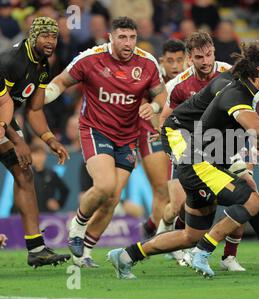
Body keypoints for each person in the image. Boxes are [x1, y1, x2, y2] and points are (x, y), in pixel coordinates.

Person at [107, 41, 259, 279]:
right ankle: (204, 252)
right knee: (250, 200)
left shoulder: (249, 89)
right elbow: (254, 126)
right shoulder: (235, 92)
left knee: (192, 234)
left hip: (211, 153)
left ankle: (126, 256)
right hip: (192, 151)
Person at [45, 16, 167, 268]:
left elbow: (162, 96)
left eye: (132, 37)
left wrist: (153, 106)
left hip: (127, 136)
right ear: (110, 37)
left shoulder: (147, 62)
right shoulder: (90, 58)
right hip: (95, 130)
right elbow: (60, 82)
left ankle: (84, 252)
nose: (128, 43)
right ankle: (77, 225)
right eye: (122, 37)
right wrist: (39, 99)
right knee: (105, 185)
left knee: (112, 198)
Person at [157, 32, 247, 272]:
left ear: (214, 51)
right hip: (189, 149)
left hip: (226, 145)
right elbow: (166, 119)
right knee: (179, 205)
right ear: (190, 58)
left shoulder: (231, 73)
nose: (205, 61)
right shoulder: (178, 85)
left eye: (209, 55)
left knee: (248, 192)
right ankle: (178, 240)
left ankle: (229, 257)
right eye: (199, 57)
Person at [0, 16, 71, 267]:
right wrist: (18, 142)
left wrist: (49, 139)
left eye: (53, 36)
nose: (50, 41)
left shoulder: (42, 65)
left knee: (24, 172)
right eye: (44, 36)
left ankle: (36, 248)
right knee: (22, 163)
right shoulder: (11, 62)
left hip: (4, 122)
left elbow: (34, 110)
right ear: (33, 36)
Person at [138, 39, 187, 242]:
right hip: (152, 132)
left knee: (180, 193)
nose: (175, 66)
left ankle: (151, 225)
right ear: (161, 61)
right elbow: (142, 106)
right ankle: (162, 243)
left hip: (181, 136)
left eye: (179, 60)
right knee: (162, 190)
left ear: (187, 60)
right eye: (170, 60)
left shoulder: (191, 77)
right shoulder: (152, 75)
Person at [31, 142, 69, 213]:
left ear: (45, 156)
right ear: (31, 156)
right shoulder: (26, 174)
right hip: (31, 213)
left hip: (47, 214)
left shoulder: (51, 174)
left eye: (41, 154)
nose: (38, 157)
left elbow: (65, 190)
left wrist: (59, 203)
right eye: (35, 154)